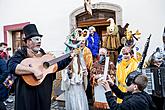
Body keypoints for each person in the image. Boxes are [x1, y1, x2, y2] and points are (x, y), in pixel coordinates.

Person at [7, 24, 74, 110]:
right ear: (28, 41)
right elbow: (11, 66)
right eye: (36, 39)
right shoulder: (21, 53)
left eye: (40, 39)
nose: (39, 41)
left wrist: (69, 58)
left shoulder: (43, 54)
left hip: (43, 93)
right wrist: (33, 70)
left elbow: (55, 66)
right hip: (27, 95)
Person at [61, 32, 90, 110]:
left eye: (76, 49)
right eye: (73, 49)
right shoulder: (67, 61)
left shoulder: (80, 59)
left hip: (79, 85)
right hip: (71, 85)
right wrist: (67, 74)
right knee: (73, 100)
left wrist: (84, 74)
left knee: (80, 100)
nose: (75, 51)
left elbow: (84, 68)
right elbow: (64, 71)